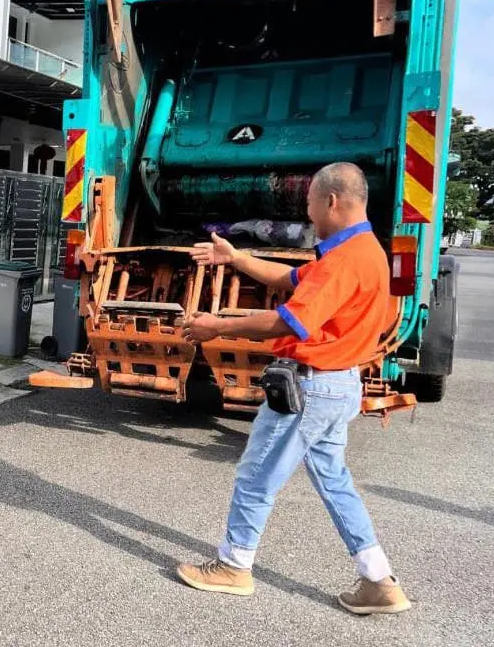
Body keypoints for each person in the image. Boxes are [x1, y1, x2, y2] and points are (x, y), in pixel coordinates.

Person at [176, 162, 411, 616]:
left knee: (256, 475)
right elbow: (288, 280)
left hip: (312, 388)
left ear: (331, 201)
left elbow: (287, 321)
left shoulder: (346, 260)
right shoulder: (364, 252)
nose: (307, 210)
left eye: (308, 202)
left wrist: (215, 327)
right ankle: (378, 580)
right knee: (335, 483)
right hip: (338, 385)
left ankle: (234, 566)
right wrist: (237, 258)